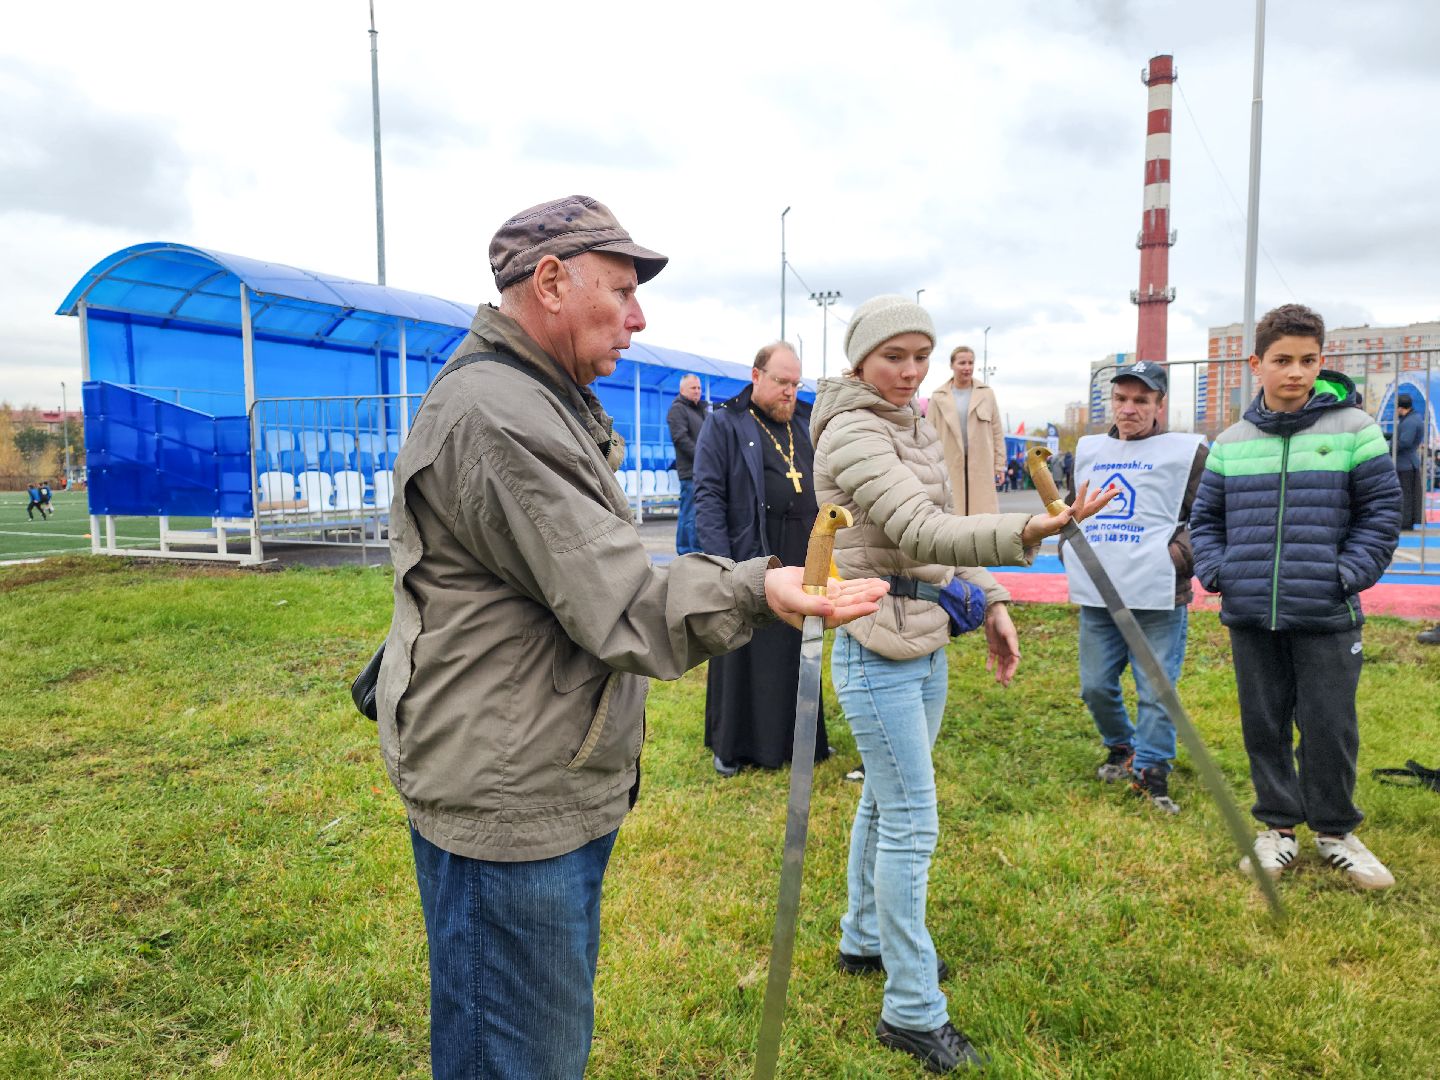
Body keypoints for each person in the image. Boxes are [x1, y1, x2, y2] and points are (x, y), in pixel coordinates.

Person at [374, 194, 888, 1079]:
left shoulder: (539, 396)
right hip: (509, 793)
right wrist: (759, 586)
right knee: (518, 1055)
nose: (639, 318)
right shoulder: (502, 415)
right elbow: (618, 601)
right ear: (550, 283)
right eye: (620, 292)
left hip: (528, 764)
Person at [812, 295, 1115, 1073]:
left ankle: (864, 938)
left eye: (921, 355)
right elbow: (918, 531)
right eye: (894, 357)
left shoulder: (913, 422)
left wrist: (997, 601)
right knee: (912, 820)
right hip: (874, 643)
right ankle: (912, 1009)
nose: (910, 372)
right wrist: (1026, 534)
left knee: (885, 803)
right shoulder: (851, 431)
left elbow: (947, 526)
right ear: (859, 361)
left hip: (926, 638)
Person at [1191, 304, 1401, 891]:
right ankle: (1277, 828)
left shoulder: (1355, 429)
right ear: (1256, 364)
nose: (1296, 372)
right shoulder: (1231, 442)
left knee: (1329, 724)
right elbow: (1204, 521)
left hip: (1327, 610)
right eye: (1282, 360)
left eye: (1308, 360)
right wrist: (1219, 571)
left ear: (1321, 362)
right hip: (1252, 611)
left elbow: (1382, 514)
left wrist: (1345, 574)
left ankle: (1335, 831)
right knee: (1264, 722)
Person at [1060, 361, 1207, 814]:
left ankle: (1151, 770)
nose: (1129, 409)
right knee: (1095, 686)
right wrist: (1068, 544)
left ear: (1159, 404)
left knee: (1155, 688)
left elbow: (1207, 518)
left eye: (1141, 400)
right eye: (1121, 399)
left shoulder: (1187, 453)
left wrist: (1176, 557)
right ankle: (1121, 747)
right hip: (1099, 592)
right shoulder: (1087, 451)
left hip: (1159, 594)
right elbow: (1071, 509)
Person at [693, 341, 828, 776]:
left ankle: (795, 740)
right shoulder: (725, 423)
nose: (790, 391)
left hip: (802, 551)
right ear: (756, 377)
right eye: (781, 382)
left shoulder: (807, 422)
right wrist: (722, 566)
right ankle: (733, 745)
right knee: (742, 652)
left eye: (795, 383)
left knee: (794, 649)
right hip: (748, 555)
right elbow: (708, 496)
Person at [928, 345, 1005, 515]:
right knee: (953, 517)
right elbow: (929, 435)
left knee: (983, 518)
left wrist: (999, 466)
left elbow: (997, 432)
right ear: (952, 365)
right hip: (949, 465)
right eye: (962, 363)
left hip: (981, 465)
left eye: (971, 363)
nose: (967, 367)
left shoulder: (987, 394)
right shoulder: (938, 396)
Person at [666, 373, 708, 554]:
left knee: (697, 514)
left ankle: (692, 552)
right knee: (690, 515)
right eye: (693, 388)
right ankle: (687, 552)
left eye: (699, 388)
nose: (697, 391)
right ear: (682, 390)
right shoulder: (678, 410)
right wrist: (703, 457)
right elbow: (680, 438)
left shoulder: (702, 411)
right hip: (690, 471)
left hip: (704, 471)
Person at [1392, 392, 1424, 530]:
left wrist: (1388, 447)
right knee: (1409, 494)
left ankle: (1405, 522)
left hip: (1405, 464)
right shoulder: (1413, 418)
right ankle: (1408, 520)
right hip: (1409, 463)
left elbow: (1404, 442)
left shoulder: (1410, 422)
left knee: (1405, 494)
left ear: (1401, 408)